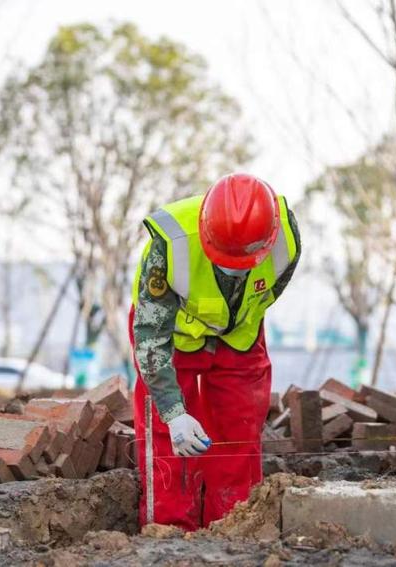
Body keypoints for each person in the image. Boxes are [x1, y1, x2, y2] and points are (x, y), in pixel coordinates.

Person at [129, 173, 301, 530]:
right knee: (167, 436)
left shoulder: (287, 238)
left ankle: (233, 526)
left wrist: (230, 325)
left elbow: (268, 293)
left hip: (240, 335)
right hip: (173, 336)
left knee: (238, 431)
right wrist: (175, 413)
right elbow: (150, 338)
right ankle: (170, 532)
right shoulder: (171, 245)